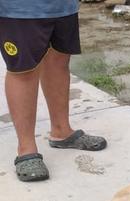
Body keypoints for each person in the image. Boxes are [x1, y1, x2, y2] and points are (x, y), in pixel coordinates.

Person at [1, 0, 108, 182]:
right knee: (23, 70)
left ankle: (62, 131)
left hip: (63, 6)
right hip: (19, 9)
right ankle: (26, 149)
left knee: (59, 62)